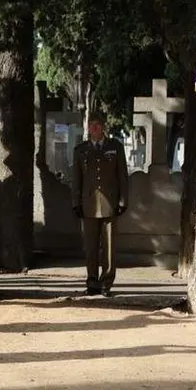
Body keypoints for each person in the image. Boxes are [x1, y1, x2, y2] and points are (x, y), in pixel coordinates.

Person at [70, 113, 130, 296]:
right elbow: (76, 179)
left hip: (110, 203)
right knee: (91, 246)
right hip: (88, 205)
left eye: (97, 125)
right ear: (88, 128)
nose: (94, 128)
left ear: (104, 127)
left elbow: (122, 177)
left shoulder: (115, 147)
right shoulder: (80, 150)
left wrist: (122, 201)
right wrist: (76, 202)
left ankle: (106, 283)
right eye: (91, 125)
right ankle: (92, 282)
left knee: (109, 247)